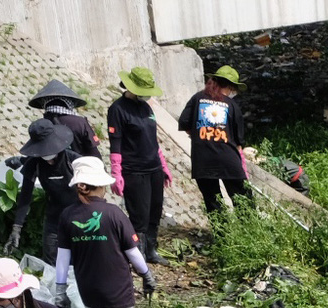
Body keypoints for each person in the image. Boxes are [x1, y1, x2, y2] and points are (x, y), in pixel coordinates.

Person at [54, 157, 152, 308]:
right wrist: (147, 275)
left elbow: (62, 258)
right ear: (100, 186)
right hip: (117, 294)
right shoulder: (114, 213)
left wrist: (60, 291)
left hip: (88, 292)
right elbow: (133, 253)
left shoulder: (67, 215)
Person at [107, 67, 173, 263]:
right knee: (139, 218)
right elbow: (115, 143)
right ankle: (137, 255)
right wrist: (116, 172)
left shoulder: (146, 108)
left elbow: (153, 140)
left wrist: (163, 166)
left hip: (154, 169)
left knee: (155, 212)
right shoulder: (117, 109)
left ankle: (151, 251)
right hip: (134, 171)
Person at [178, 67, 249, 213]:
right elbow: (238, 140)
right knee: (242, 200)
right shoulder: (231, 105)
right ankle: (250, 233)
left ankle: (222, 236)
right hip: (228, 159)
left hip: (202, 160)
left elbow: (184, 122)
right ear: (230, 87)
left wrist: (199, 135)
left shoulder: (197, 98)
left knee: (213, 202)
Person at [4, 120, 77, 261]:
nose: (49, 161)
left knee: (78, 263)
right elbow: (25, 196)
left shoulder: (73, 161)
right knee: (51, 263)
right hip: (54, 220)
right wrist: (16, 229)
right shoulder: (34, 163)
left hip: (79, 217)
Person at [29, 79, 101, 159]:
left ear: (45, 103)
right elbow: (93, 151)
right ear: (69, 103)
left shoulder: (42, 126)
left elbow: (35, 151)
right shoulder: (80, 122)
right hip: (79, 166)